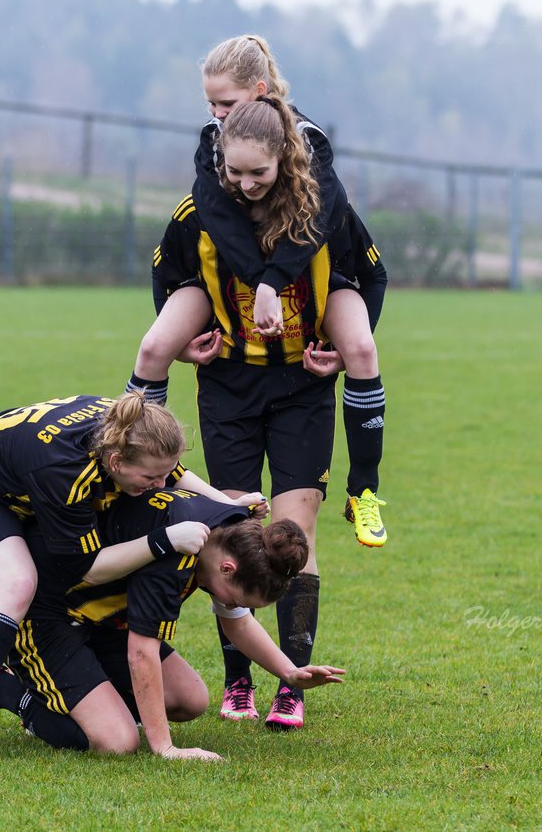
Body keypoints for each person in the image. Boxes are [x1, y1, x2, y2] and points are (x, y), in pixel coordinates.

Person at [146, 96, 384, 731]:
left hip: (301, 387)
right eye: (235, 172)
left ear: (284, 158)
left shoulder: (323, 212)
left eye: (259, 173)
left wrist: (341, 345)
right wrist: (183, 331)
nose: (245, 184)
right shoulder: (198, 212)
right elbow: (165, 273)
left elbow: (370, 273)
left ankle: (293, 685)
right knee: (232, 521)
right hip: (228, 386)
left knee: (295, 527)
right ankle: (237, 681)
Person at [124, 33, 390, 550]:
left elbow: (320, 225)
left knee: (361, 347)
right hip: (223, 294)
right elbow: (219, 223)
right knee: (155, 346)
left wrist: (274, 282)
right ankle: (135, 472)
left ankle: (365, 491)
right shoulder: (212, 142)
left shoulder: (309, 146)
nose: (216, 114)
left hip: (308, 290)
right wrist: (195, 332)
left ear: (261, 91)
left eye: (225, 102)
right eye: (210, 103)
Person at [0, 392, 264, 764]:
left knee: (181, 700)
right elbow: (88, 568)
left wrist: (227, 506)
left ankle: (65, 684)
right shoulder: (65, 472)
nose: (163, 485)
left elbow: (171, 471)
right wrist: (162, 541)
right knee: (17, 581)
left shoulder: (130, 430)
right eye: (152, 477)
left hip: (23, 487)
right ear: (115, 461)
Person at [8, 487, 345, 760]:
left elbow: (238, 624)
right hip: (47, 616)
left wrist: (289, 673)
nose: (229, 605)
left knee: (189, 699)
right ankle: (6, 689)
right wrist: (165, 747)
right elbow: (141, 654)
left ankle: (92, 698)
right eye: (236, 599)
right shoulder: (176, 556)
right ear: (227, 568)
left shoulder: (230, 529)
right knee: (117, 742)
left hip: (100, 619)